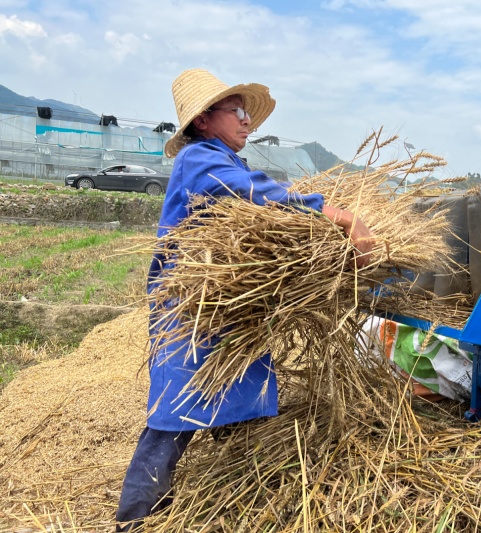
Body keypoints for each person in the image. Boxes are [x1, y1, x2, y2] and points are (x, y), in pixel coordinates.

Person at [115, 69, 375, 531]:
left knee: (238, 392)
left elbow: (262, 210)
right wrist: (337, 215)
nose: (246, 121)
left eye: (245, 112)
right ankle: (135, 519)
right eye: (236, 111)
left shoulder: (222, 158)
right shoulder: (199, 160)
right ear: (202, 119)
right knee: (174, 415)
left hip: (224, 311)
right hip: (191, 312)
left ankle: (237, 489)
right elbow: (262, 197)